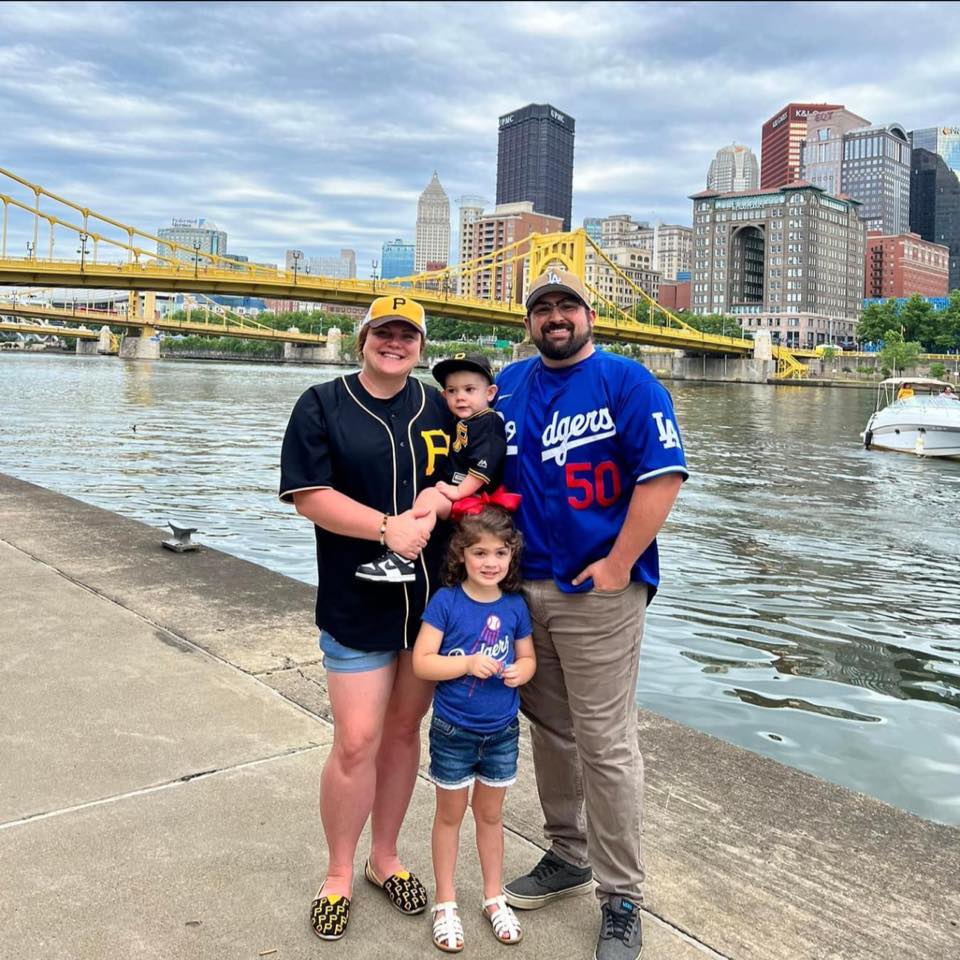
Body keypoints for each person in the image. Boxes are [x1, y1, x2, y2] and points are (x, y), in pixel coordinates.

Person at [495, 268, 688, 960]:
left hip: (599, 591)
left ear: (589, 314)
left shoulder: (629, 382)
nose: (555, 316)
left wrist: (617, 564)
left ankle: (622, 895)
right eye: (541, 306)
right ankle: (568, 852)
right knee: (550, 729)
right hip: (524, 589)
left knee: (606, 744)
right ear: (528, 321)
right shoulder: (508, 385)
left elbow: (663, 475)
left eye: (566, 304)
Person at [279, 294, 453, 941]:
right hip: (356, 602)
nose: (396, 343)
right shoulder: (321, 404)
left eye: (408, 335)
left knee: (405, 731)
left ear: (420, 346)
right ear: (363, 340)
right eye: (384, 332)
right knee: (357, 740)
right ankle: (338, 874)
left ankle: (385, 858)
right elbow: (308, 496)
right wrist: (386, 528)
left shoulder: (439, 406)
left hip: (431, 604)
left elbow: (473, 477)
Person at [412, 505, 536, 953]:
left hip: (502, 731)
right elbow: (422, 662)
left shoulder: (515, 605)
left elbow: (528, 657)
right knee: (450, 814)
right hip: (454, 730)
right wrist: (465, 662)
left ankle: (492, 895)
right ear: (461, 554)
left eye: (500, 553)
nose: (491, 562)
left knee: (491, 815)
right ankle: (445, 902)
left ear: (511, 557)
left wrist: (522, 670)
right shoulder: (446, 603)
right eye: (480, 552)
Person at [357, 353, 507, 583]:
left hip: (478, 497)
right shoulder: (464, 420)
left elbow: (483, 465)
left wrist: (457, 492)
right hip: (464, 493)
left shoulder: (489, 422)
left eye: (469, 390)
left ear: (490, 393)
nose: (460, 398)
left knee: (429, 496)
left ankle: (404, 555)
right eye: (452, 391)